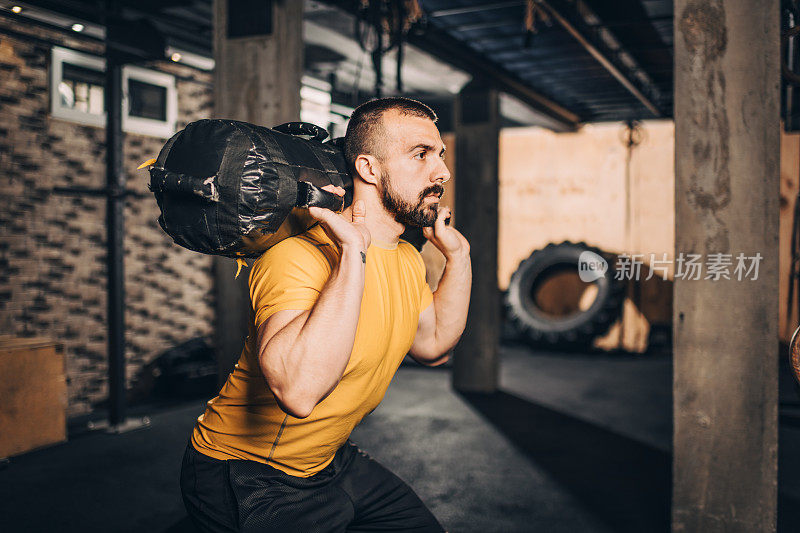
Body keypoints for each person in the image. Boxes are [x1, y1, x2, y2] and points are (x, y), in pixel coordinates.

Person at [180, 97, 472, 532]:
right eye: (421, 154)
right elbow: (297, 392)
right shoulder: (297, 257)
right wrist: (352, 253)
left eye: (440, 155)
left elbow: (431, 344)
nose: (442, 172)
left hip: (329, 459)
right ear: (369, 169)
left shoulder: (408, 259)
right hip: (248, 472)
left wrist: (460, 256)